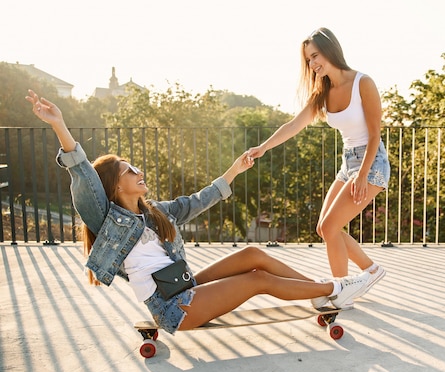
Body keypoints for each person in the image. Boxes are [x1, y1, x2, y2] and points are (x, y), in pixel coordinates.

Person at [26, 89, 373, 336]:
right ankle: (335, 287)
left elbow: (198, 200)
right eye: (129, 170)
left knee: (253, 254)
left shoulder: (156, 213)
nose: (138, 171)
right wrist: (59, 125)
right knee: (257, 280)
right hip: (174, 308)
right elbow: (83, 175)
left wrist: (235, 170)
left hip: (184, 286)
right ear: (115, 187)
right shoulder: (106, 220)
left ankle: (318, 290)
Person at [245, 28, 391, 309]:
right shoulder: (322, 92)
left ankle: (341, 291)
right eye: (308, 60)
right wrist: (262, 148)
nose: (312, 64)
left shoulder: (363, 83)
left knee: (329, 226)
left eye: (315, 56)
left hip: (370, 163)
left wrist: (362, 175)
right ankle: (371, 270)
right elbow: (293, 126)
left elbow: (375, 135)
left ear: (330, 50)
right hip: (347, 162)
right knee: (325, 228)